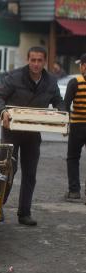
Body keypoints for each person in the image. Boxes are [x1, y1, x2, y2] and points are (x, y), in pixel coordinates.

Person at [0, 46, 64, 226]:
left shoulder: (50, 81)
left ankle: (24, 213)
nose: (36, 64)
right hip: (11, 130)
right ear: (28, 60)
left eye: (39, 61)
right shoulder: (14, 77)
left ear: (45, 61)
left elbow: (58, 101)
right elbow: (0, 96)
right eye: (33, 60)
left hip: (33, 132)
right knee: (7, 169)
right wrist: (3, 111)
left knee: (30, 173)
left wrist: (63, 114)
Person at [64, 53, 86, 201]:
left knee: (73, 158)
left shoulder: (75, 82)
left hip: (78, 125)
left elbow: (65, 105)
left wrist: (65, 125)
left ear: (83, 66)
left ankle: (74, 191)